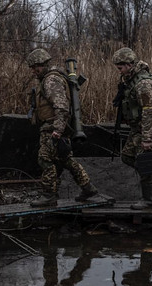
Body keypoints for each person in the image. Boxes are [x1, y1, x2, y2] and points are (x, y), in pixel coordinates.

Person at [26, 48, 98, 207]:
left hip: (53, 127)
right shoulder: (50, 78)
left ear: (43, 64)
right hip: (56, 126)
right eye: (31, 67)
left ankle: (49, 195)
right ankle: (88, 188)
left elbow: (62, 107)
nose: (33, 70)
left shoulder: (51, 80)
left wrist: (57, 131)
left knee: (44, 159)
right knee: (66, 159)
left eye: (35, 67)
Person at [112, 47, 152, 210]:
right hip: (138, 128)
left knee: (146, 162)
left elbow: (149, 111)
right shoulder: (131, 80)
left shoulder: (144, 83)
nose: (120, 72)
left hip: (147, 129)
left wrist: (147, 138)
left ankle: (148, 200)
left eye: (120, 68)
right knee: (127, 156)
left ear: (129, 64)